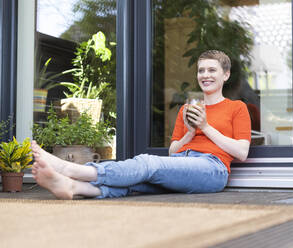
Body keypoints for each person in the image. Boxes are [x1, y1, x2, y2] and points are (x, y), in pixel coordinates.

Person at [31, 50, 251, 200]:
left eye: (211, 70)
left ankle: (69, 168)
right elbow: (173, 151)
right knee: (134, 182)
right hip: (182, 162)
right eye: (201, 70)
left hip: (213, 170)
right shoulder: (188, 110)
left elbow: (241, 152)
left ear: (226, 74)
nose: (205, 75)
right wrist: (191, 133)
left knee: (147, 163)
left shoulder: (237, 107)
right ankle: (74, 187)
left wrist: (206, 127)